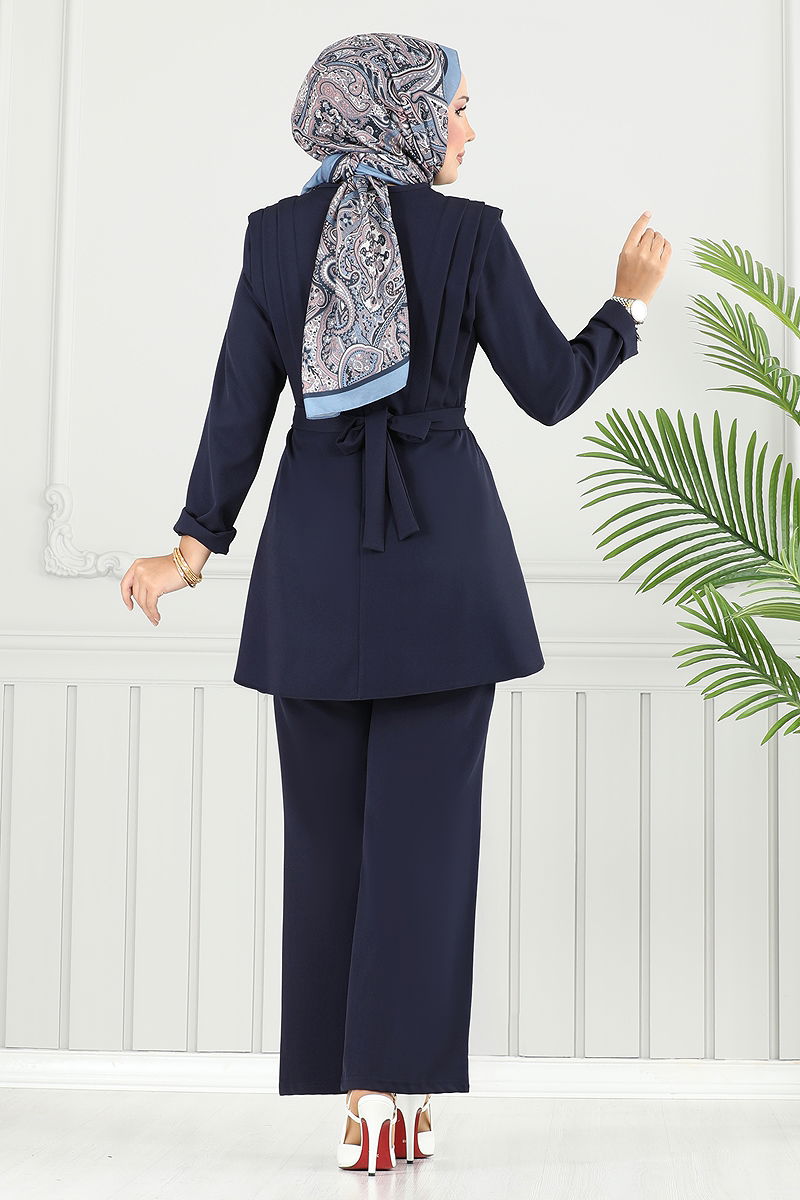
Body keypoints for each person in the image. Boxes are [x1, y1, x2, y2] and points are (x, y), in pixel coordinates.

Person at [120, 32, 671, 1174]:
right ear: (403, 113)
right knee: (424, 844)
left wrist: (189, 551)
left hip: (312, 573)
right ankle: (396, 1084)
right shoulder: (467, 233)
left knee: (329, 844)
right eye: (458, 106)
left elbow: (239, 409)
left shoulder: (276, 237)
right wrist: (625, 309)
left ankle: (360, 1096)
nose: (469, 127)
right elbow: (550, 387)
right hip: (445, 571)